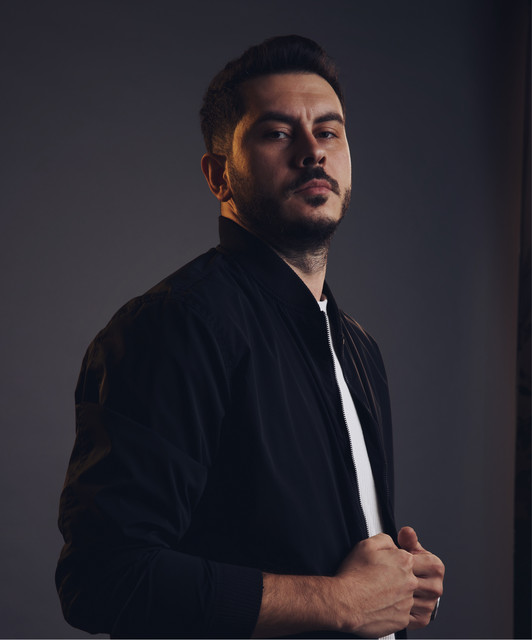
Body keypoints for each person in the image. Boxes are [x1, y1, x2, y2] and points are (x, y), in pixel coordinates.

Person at [56, 35, 444, 639]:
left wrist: (398, 587)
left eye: (329, 131)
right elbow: (104, 577)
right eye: (278, 133)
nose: (312, 152)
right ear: (219, 176)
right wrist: (340, 602)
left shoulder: (358, 347)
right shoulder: (174, 326)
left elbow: (334, 568)